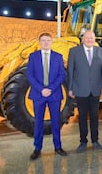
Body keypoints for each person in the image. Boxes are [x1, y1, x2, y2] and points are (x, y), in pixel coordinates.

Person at [27, 32, 67, 160]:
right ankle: (37, 148)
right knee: (38, 122)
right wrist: (41, 89)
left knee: (56, 122)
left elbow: (62, 75)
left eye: (48, 40)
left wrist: (50, 88)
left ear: (51, 42)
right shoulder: (33, 57)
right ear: (39, 42)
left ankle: (58, 147)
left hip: (54, 95)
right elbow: (30, 75)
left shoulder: (58, 57)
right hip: (38, 95)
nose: (45, 43)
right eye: (43, 40)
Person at [67, 30, 102, 153]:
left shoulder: (101, 51)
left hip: (95, 90)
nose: (90, 40)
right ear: (83, 39)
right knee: (82, 117)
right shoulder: (74, 52)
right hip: (80, 89)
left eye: (92, 38)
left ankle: (95, 140)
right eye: (87, 38)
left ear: (95, 39)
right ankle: (83, 141)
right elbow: (70, 71)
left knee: (95, 117)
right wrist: (70, 88)